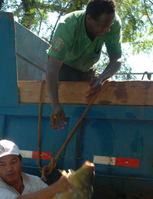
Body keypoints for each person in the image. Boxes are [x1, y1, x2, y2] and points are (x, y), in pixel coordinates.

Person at [46, 0, 122, 130]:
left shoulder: (112, 24)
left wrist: (101, 79)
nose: (107, 30)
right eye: (103, 26)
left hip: (88, 70)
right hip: (64, 69)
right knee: (69, 103)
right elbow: (52, 69)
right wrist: (55, 105)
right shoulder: (68, 25)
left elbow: (116, 59)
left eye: (110, 25)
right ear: (89, 18)